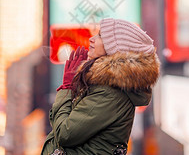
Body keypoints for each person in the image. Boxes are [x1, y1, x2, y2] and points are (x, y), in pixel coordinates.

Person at [41, 18, 160, 155]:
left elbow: (64, 133)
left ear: (116, 48)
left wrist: (67, 88)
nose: (92, 39)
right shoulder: (104, 86)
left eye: (101, 36)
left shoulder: (110, 93)